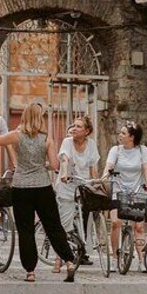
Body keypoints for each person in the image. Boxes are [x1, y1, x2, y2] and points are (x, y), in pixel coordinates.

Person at [0, 102, 77, 283]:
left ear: (25, 116)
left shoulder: (16, 135)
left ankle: (30, 271)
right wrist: (41, 165)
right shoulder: (47, 138)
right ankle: (68, 261)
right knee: (53, 226)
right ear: (40, 117)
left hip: (21, 188)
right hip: (43, 187)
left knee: (26, 230)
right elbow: (54, 165)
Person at [54, 116, 100, 273]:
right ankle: (59, 258)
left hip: (83, 185)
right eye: (73, 125)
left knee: (86, 219)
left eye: (78, 126)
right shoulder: (67, 142)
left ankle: (83, 250)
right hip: (67, 185)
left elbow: (93, 167)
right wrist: (64, 174)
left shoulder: (91, 145)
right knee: (65, 223)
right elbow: (64, 159)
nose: (74, 128)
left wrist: (96, 182)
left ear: (87, 131)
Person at [105, 121, 147, 266]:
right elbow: (109, 166)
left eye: (123, 133)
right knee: (115, 223)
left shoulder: (141, 150)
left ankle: (141, 259)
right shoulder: (116, 150)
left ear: (132, 137)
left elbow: (146, 168)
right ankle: (114, 257)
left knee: (139, 227)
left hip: (136, 191)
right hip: (118, 190)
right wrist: (104, 179)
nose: (120, 134)